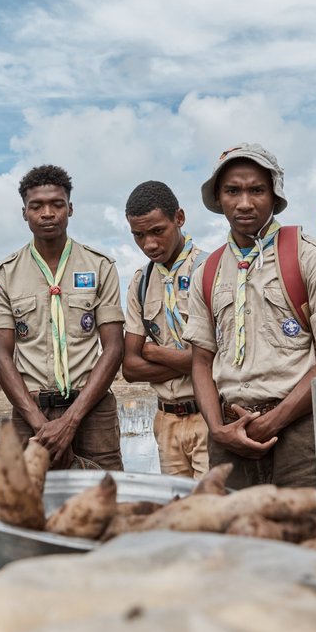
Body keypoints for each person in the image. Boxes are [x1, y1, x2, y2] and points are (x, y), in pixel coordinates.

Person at [185, 145, 316, 489]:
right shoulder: (206, 272)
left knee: (310, 520)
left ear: (275, 195)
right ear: (218, 198)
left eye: (256, 190)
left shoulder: (309, 255)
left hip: (300, 432)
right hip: (229, 434)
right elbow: (202, 361)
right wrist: (217, 429)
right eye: (232, 191)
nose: (244, 203)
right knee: (234, 522)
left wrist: (274, 420)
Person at [0, 165, 125, 470]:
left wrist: (71, 420)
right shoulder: (5, 273)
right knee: (28, 494)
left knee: (104, 490)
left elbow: (114, 348)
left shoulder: (100, 266)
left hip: (92, 409)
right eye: (36, 206)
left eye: (57, 204)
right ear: (24, 213)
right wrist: (41, 425)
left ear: (70, 209)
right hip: (31, 410)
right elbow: (0, 355)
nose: (47, 213)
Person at [121, 181, 209, 478]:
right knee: (177, 504)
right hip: (166, 419)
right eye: (139, 235)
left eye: (158, 231)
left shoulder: (211, 271)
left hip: (210, 414)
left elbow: (218, 360)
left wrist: (153, 352)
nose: (149, 244)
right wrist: (193, 361)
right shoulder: (141, 282)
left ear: (179, 218)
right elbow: (130, 368)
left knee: (213, 503)